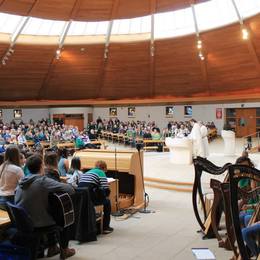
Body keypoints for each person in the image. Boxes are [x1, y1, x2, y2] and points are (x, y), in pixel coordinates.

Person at [15, 154, 76, 258]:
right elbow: (70, 189)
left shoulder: (22, 181)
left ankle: (53, 247)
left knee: (48, 212)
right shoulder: (42, 181)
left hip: (23, 222)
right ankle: (64, 250)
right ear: (41, 166)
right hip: (36, 224)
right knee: (65, 218)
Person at [78, 160, 113, 234]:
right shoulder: (101, 172)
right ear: (104, 168)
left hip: (81, 198)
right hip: (91, 198)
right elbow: (106, 189)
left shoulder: (88, 172)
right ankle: (105, 227)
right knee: (107, 202)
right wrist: (105, 196)